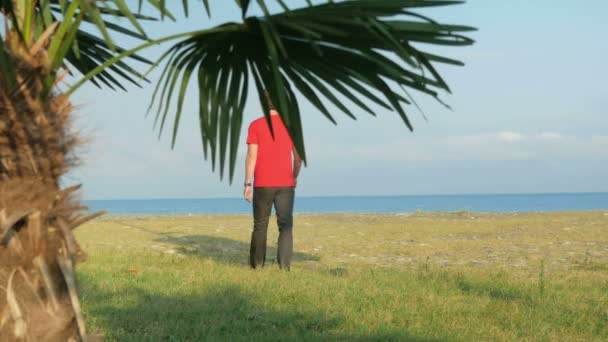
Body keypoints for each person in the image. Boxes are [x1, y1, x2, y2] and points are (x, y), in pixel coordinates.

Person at [244, 102, 302, 270]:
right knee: (285, 226)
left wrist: (247, 183)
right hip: (286, 184)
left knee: (260, 226)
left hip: (262, 184)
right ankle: (284, 267)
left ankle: (257, 266)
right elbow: (298, 158)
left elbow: (251, 156)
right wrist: (294, 176)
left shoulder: (255, 125)